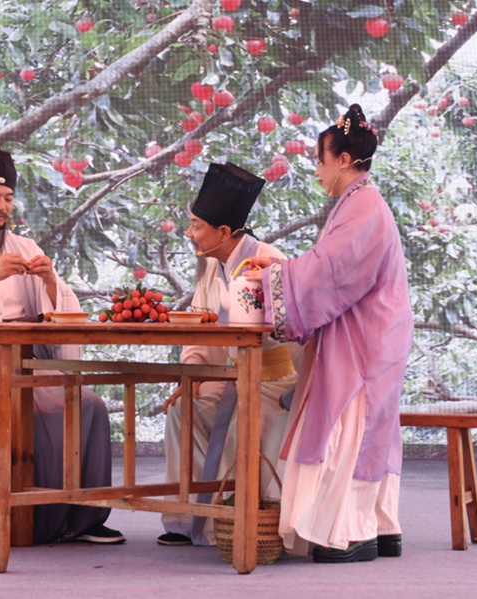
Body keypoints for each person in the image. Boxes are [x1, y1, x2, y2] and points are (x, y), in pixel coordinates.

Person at [0, 139, 123, 551]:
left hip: (25, 361)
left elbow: (59, 310)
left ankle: (80, 517)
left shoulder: (26, 247)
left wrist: (49, 282)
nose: (2, 206)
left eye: (8, 198)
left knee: (89, 406)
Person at [243, 104, 413, 563]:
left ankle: (351, 532)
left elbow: (331, 272)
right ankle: (378, 525)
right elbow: (327, 269)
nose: (317, 170)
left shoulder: (363, 206)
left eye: (320, 160)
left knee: (349, 428)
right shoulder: (360, 202)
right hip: (374, 331)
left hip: (365, 339)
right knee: (369, 428)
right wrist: (281, 269)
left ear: (343, 160)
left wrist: (275, 276)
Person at [157, 162, 302, 547]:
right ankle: (187, 517)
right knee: (183, 409)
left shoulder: (268, 261)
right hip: (228, 378)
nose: (188, 234)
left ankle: (241, 522)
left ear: (223, 232)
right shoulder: (211, 267)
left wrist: (302, 390)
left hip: (274, 382)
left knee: (242, 418)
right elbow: (200, 330)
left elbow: (299, 330)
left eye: (195, 225)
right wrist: (190, 376)